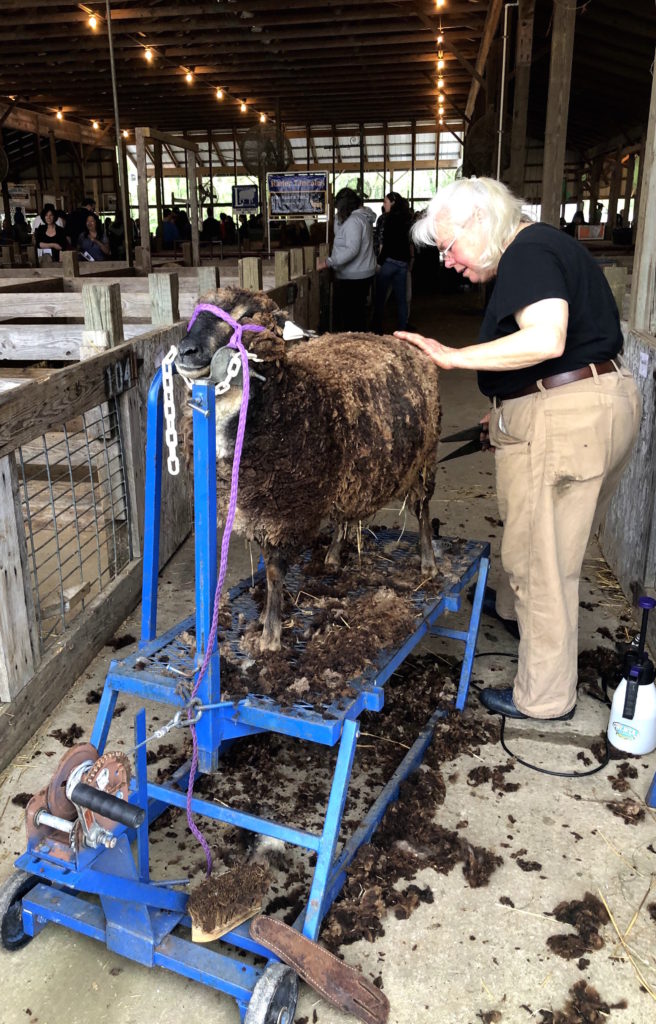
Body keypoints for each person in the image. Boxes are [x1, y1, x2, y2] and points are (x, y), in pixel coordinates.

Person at [395, 177, 641, 722]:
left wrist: (454, 357)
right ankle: (515, 616)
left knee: (542, 562)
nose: (448, 262)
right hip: (601, 399)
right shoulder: (549, 244)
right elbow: (564, 349)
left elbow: (546, 338)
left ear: (480, 221)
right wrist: (507, 408)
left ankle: (544, 696)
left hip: (567, 415)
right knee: (556, 542)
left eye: (448, 247)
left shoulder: (526, 254)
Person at [317, 187, 376, 332]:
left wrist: (328, 262)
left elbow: (352, 250)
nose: (337, 212)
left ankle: (355, 346)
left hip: (354, 276)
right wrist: (338, 219)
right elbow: (340, 233)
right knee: (357, 313)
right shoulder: (359, 218)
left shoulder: (354, 221)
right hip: (361, 272)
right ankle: (358, 343)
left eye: (338, 209)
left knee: (351, 317)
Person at [373, 191, 412, 333]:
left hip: (389, 263)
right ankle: (402, 330)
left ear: (392, 203)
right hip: (402, 264)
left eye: (385, 202)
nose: (384, 205)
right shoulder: (407, 218)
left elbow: (386, 243)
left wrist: (379, 262)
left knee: (380, 298)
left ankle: (376, 328)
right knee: (401, 299)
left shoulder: (389, 219)